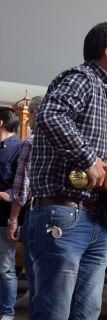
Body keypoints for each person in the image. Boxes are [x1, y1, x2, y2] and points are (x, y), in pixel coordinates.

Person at [27, 21, 107, 320]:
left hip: (95, 218)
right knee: (54, 312)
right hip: (63, 213)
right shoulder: (81, 79)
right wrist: (88, 159)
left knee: (87, 313)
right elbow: (51, 116)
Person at [6, 95, 41, 309]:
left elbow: (23, 186)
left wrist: (13, 219)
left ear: (36, 114)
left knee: (35, 268)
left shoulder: (31, 142)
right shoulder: (68, 142)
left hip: (36, 212)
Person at [0, 107, 22, 320]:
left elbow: (21, 183)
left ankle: (6, 312)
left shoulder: (20, 147)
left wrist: (5, 195)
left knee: (5, 269)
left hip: (5, 217)